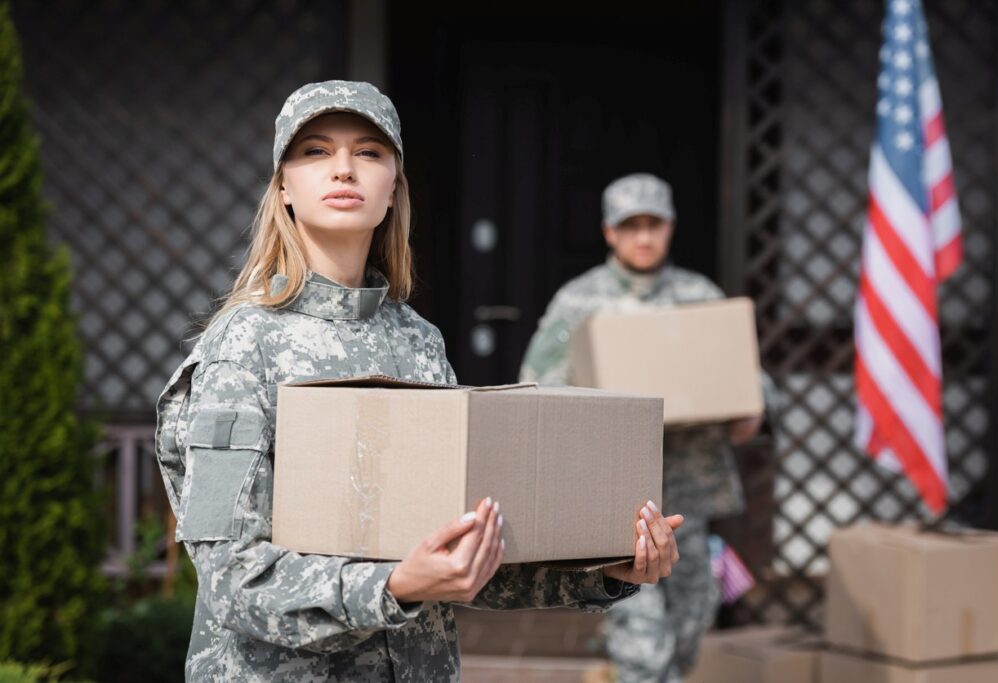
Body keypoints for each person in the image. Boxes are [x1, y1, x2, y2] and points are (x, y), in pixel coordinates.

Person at [154, 82, 683, 682]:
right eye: (316, 151)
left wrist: (607, 572)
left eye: (371, 153)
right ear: (283, 187)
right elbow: (231, 576)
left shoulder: (418, 343)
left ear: (393, 190)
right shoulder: (242, 346)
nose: (345, 169)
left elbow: (464, 561)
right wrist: (395, 584)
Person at [519, 173, 770, 682]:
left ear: (670, 227)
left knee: (690, 622)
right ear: (609, 232)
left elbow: (747, 379)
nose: (642, 237)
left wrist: (752, 411)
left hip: (690, 496)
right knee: (643, 640)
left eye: (652, 225)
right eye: (629, 226)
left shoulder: (699, 296)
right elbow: (534, 387)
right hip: (619, 498)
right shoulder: (579, 301)